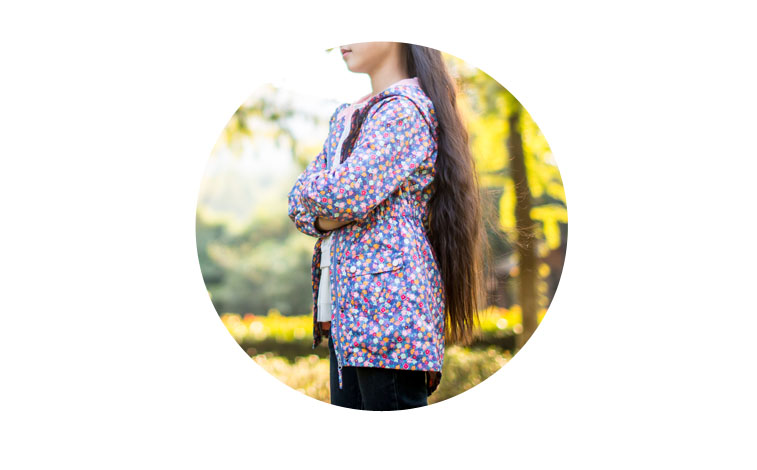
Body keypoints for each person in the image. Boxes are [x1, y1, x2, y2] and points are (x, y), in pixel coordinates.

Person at [287, 42, 486, 411]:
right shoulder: (351, 114)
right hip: (350, 318)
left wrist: (324, 203)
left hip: (389, 316)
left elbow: (346, 193)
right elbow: (299, 205)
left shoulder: (404, 110)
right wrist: (325, 206)